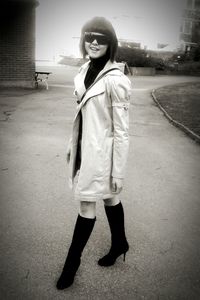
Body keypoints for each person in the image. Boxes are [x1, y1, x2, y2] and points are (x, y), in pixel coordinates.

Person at [56, 16, 131, 290]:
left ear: (110, 42)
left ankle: (70, 266)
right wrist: (71, 145)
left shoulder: (117, 80)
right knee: (110, 197)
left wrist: (118, 171)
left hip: (102, 152)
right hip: (85, 147)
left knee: (87, 204)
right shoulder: (83, 70)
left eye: (101, 37)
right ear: (83, 39)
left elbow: (122, 131)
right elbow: (83, 114)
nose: (94, 42)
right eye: (89, 36)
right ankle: (120, 243)